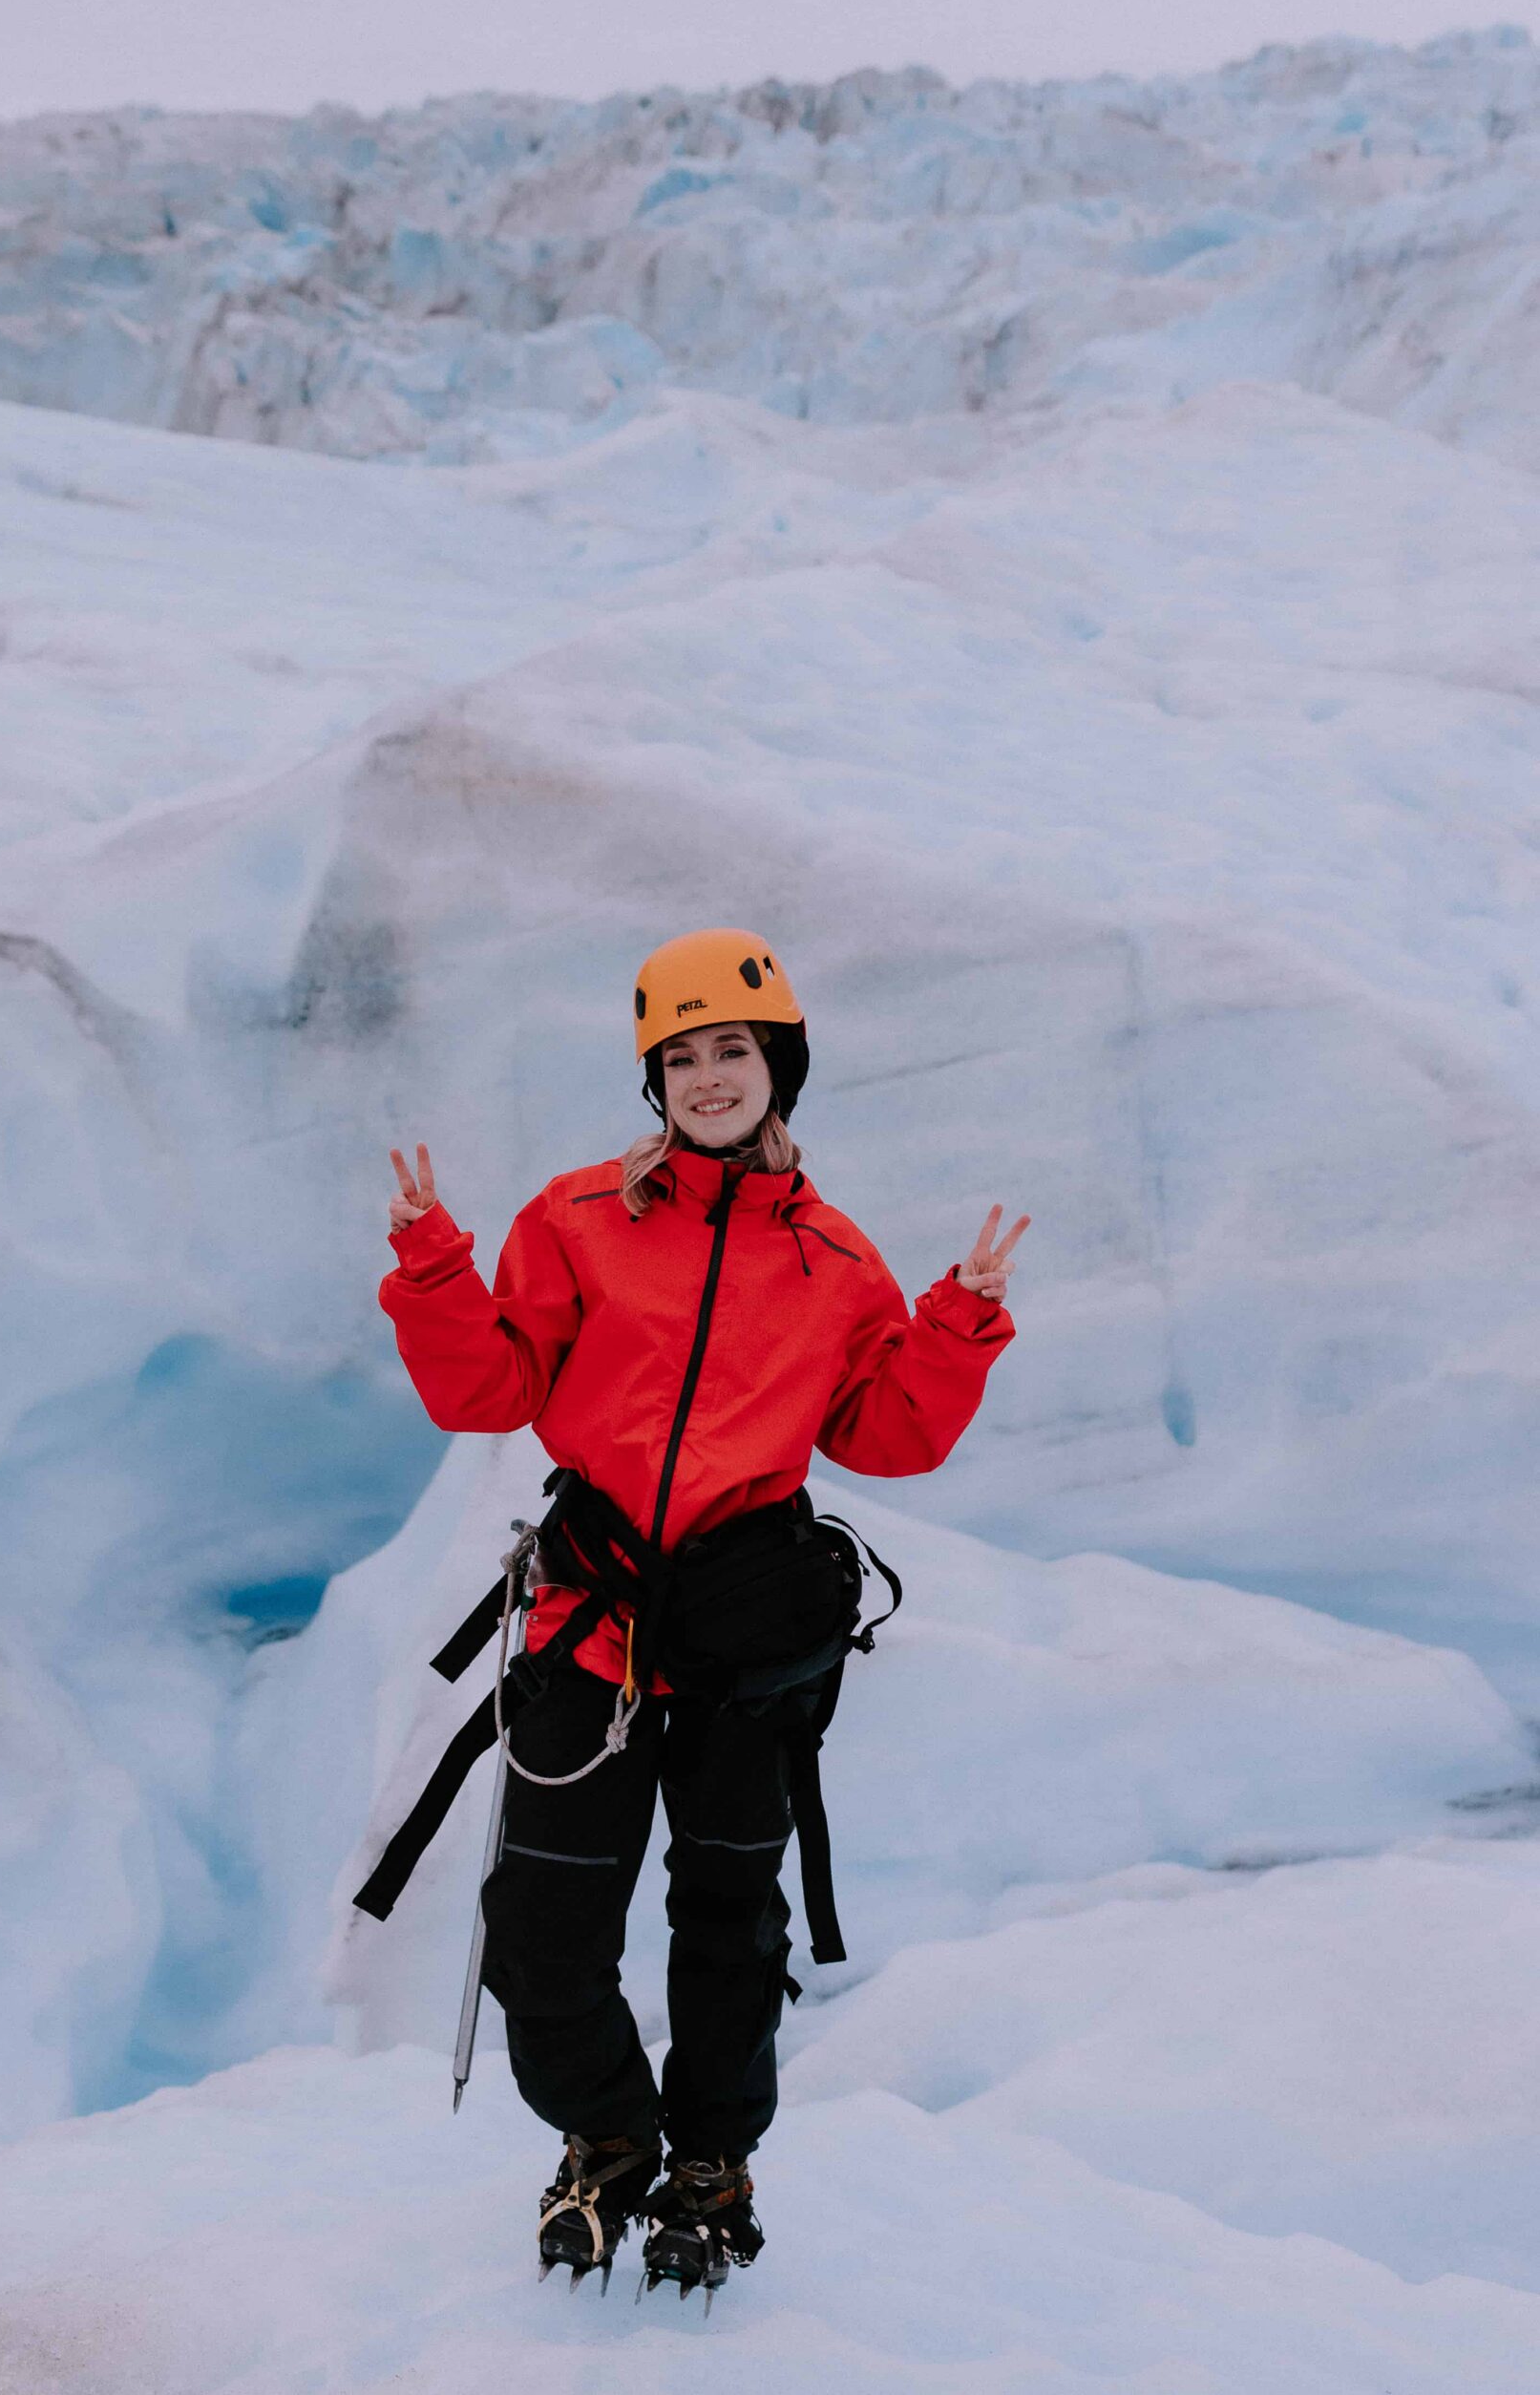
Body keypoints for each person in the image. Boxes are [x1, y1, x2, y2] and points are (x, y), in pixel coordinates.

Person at [377, 927, 1026, 2299]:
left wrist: (958, 1321)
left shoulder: (837, 1261)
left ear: (778, 1064)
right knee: (544, 1937)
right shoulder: (574, 1220)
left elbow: (886, 1432)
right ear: (653, 1080)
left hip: (744, 1650)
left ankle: (713, 2163)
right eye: (679, 1056)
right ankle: (609, 2137)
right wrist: (435, 1269)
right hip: (589, 1628)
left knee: (730, 1927)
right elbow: (489, 1391)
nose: (706, 1075)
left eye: (731, 1049)